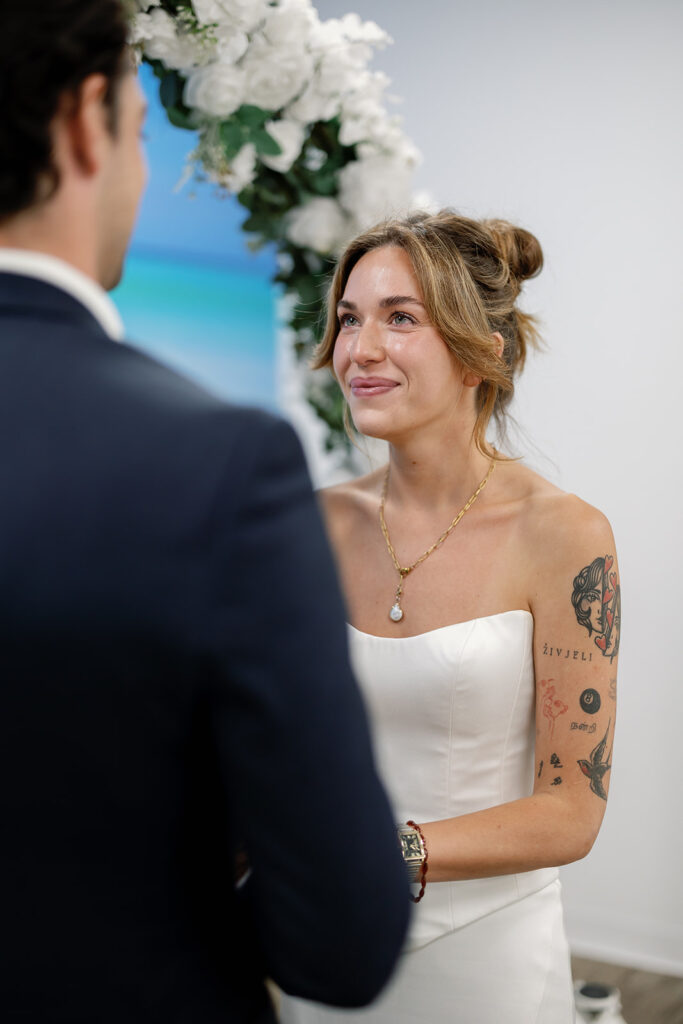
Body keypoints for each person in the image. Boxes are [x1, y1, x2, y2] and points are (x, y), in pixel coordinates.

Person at [0, 2, 411, 1021]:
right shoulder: (217, 466)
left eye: (397, 317)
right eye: (144, 133)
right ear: (91, 119)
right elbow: (342, 941)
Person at [280, 211, 619, 1023]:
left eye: (400, 318)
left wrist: (386, 852)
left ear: (481, 355)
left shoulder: (564, 536)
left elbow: (571, 811)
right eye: (349, 318)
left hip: (482, 952)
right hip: (325, 936)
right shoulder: (315, 523)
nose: (358, 350)